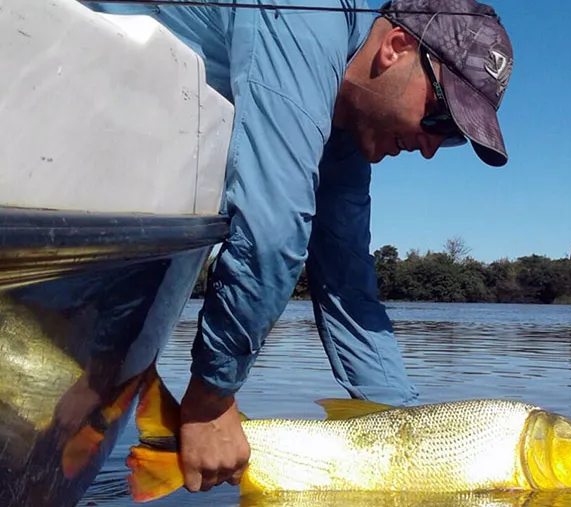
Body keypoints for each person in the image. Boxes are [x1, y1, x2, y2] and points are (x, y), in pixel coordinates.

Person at [83, 0, 514, 495]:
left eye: (454, 137)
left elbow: (348, 289)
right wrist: (210, 400)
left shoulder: (347, 130)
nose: (433, 146)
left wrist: (407, 433)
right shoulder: (314, 20)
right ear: (396, 48)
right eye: (439, 118)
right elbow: (273, 228)